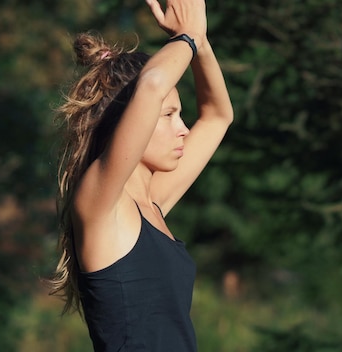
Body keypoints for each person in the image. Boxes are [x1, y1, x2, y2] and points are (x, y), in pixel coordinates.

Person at [47, 0, 232, 350]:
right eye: (168, 115)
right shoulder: (100, 205)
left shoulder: (152, 203)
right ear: (130, 123)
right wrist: (187, 36)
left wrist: (202, 42)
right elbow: (152, 85)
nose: (183, 129)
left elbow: (217, 116)